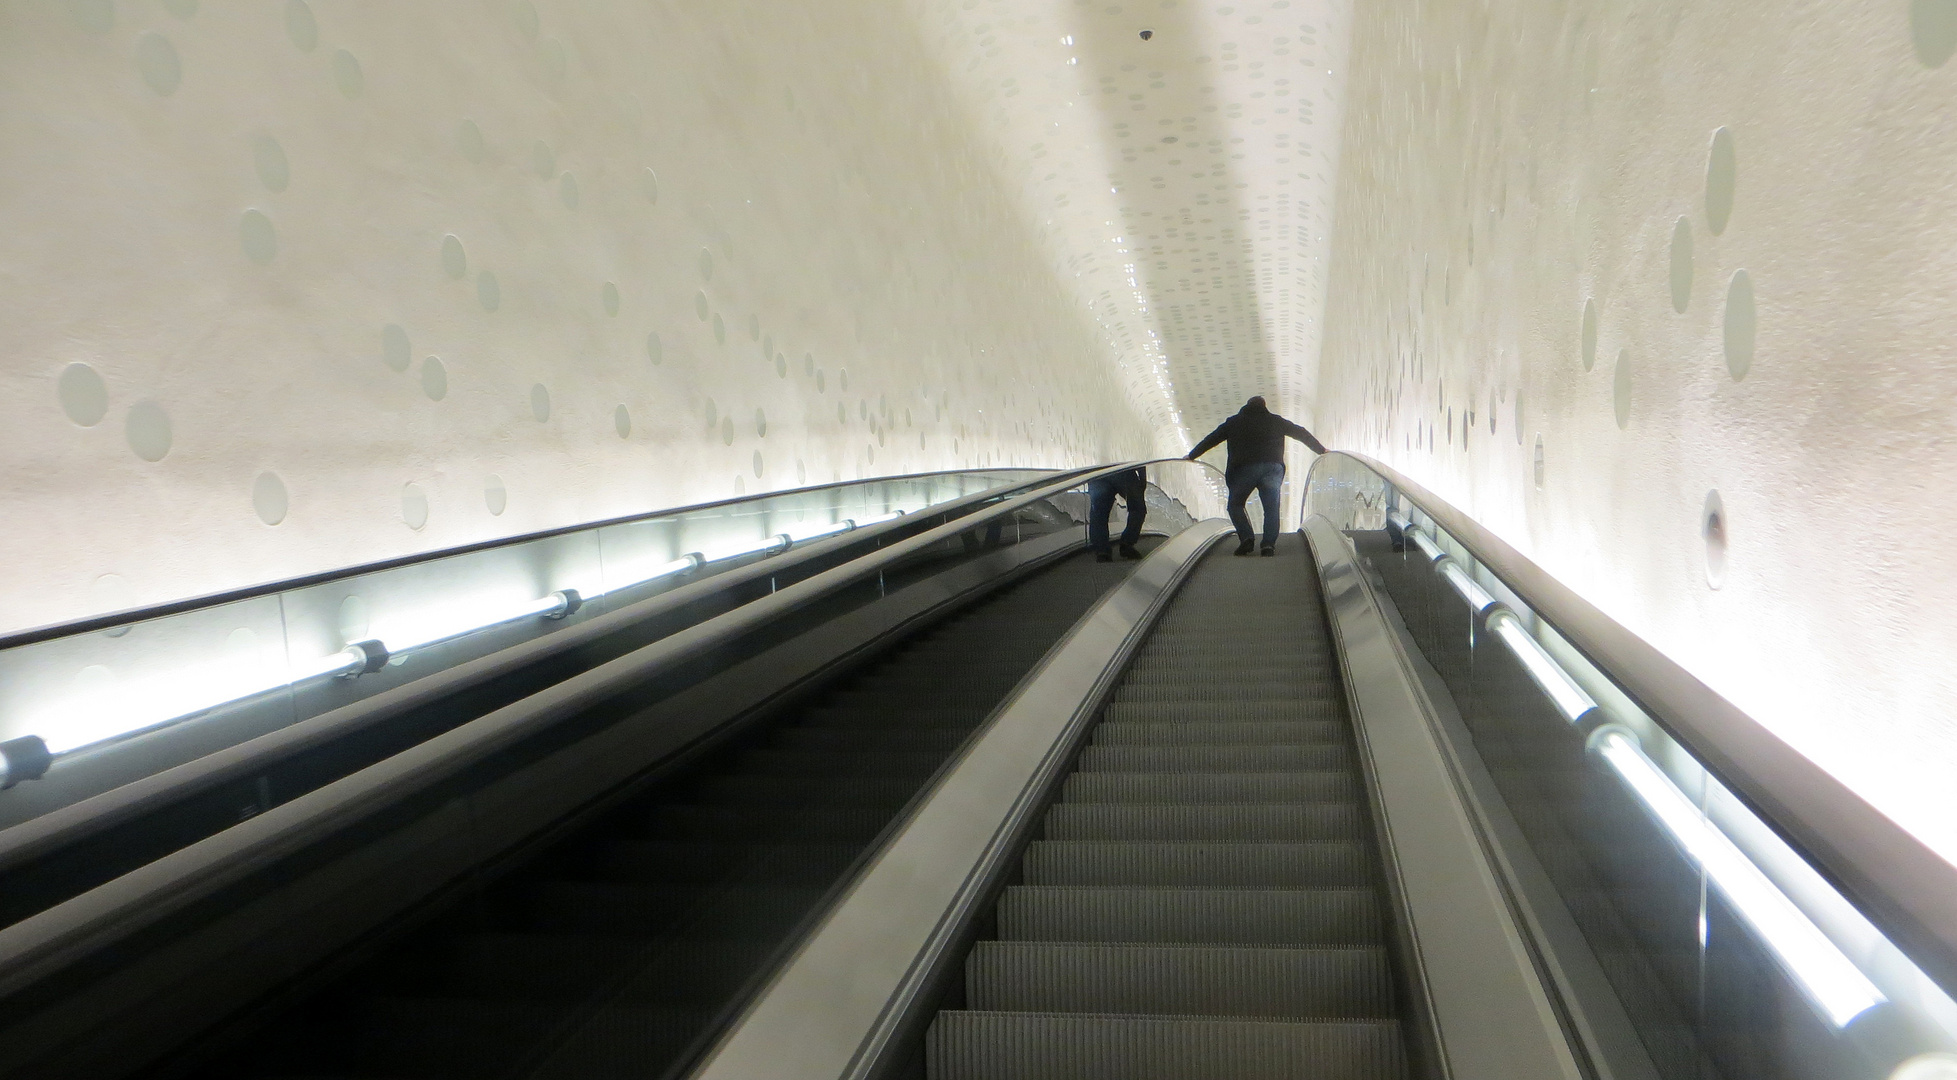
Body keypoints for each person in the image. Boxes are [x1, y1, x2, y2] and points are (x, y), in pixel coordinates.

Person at [1185, 396, 1327, 557]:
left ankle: (1246, 537)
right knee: (1271, 508)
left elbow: (1211, 439)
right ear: (1264, 407)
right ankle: (1268, 545)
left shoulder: (1234, 422)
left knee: (1235, 505)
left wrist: (1191, 456)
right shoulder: (1276, 421)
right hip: (1272, 468)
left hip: (1243, 469)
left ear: (1246, 407)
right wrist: (1321, 450)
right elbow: (1300, 432)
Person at [1087, 465, 1148, 562]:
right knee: (1137, 507)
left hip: (1096, 471)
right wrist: (1142, 479)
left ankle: (1102, 550)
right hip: (1123, 470)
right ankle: (1127, 543)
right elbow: (1138, 456)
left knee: (1098, 512)